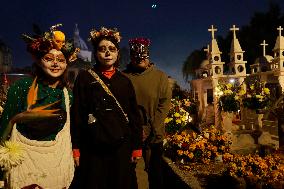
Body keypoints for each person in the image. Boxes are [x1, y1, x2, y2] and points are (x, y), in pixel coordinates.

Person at [0, 24, 79, 188]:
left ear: (67, 64)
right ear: (39, 60)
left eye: (61, 60)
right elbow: (5, 124)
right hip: (24, 163)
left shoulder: (67, 94)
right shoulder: (21, 87)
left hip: (56, 163)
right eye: (49, 59)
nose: (55, 64)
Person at [70, 27, 143, 189]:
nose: (107, 53)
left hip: (121, 148)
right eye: (102, 49)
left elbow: (134, 115)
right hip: (93, 149)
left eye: (112, 49)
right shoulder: (84, 78)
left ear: (117, 53)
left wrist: (137, 146)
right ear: (96, 53)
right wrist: (76, 148)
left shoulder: (125, 81)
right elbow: (77, 114)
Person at [123, 37, 172, 189]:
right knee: (131, 175)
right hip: (130, 135)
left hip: (153, 135)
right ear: (131, 57)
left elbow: (163, 106)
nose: (140, 60)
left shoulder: (160, 77)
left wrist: (149, 128)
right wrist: (134, 129)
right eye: (136, 56)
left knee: (155, 174)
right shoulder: (123, 78)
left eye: (143, 56)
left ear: (148, 56)